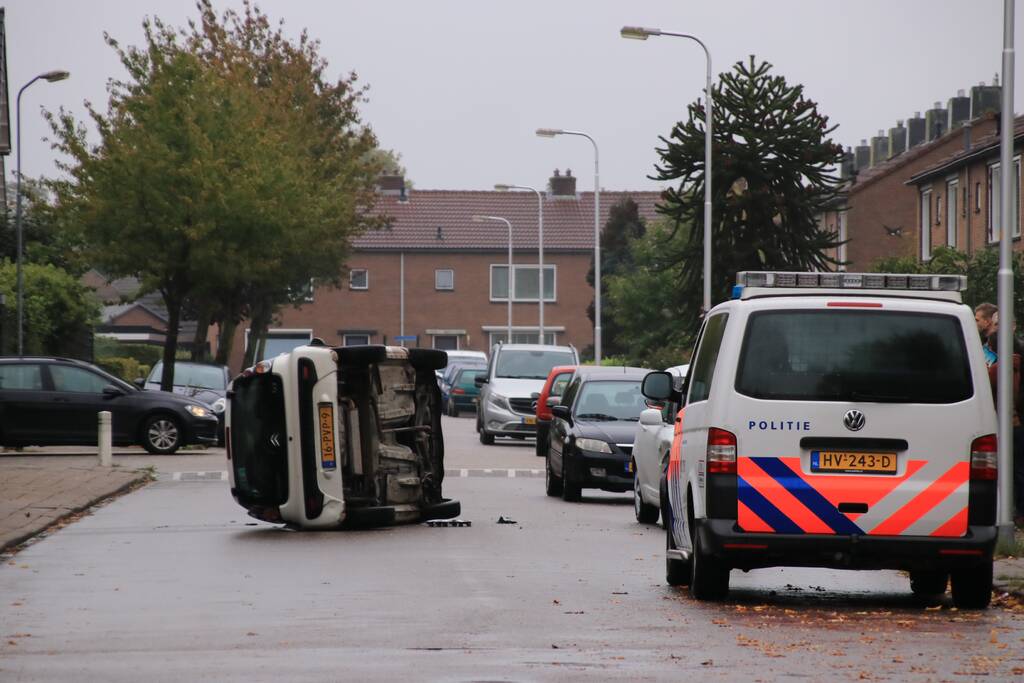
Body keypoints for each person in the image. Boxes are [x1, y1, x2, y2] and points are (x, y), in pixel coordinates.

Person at [988, 330, 1024, 525]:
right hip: (1017, 424)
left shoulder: (999, 369)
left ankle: (1008, 513)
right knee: (1019, 470)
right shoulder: (1017, 364)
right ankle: (1020, 512)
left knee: (1007, 470)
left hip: (1006, 424)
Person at [976, 302, 998, 367]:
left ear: (987, 322)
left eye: (977, 320)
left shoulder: (998, 345)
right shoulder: (984, 342)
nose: (974, 323)